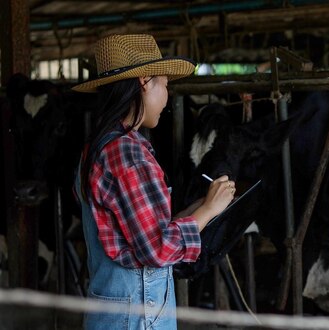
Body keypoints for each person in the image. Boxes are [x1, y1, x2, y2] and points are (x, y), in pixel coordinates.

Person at [72, 34, 235, 329]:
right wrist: (208, 211)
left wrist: (200, 207)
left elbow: (137, 233)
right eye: (166, 85)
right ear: (145, 82)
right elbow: (156, 248)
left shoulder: (97, 147)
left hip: (111, 311)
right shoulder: (128, 153)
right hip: (137, 317)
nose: (167, 97)